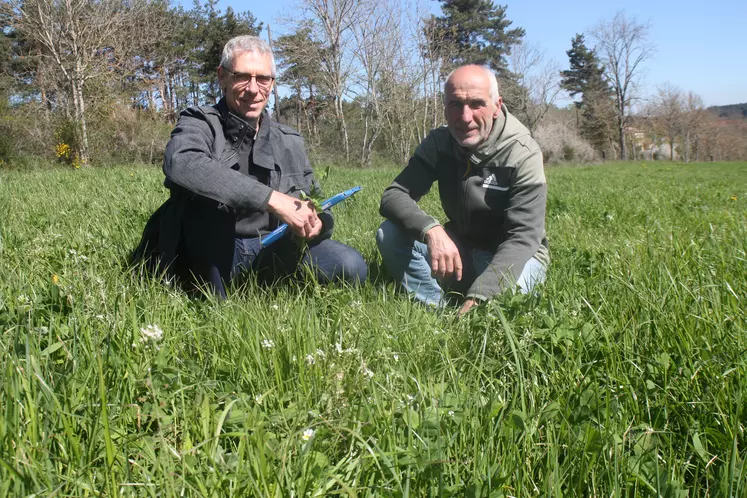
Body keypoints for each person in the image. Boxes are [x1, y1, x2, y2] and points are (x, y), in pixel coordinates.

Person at [132, 35, 367, 298]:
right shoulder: (200, 122)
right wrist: (271, 199)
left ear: (272, 83)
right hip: (211, 249)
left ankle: (270, 292)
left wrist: (318, 223)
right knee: (205, 238)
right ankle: (214, 301)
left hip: (272, 249)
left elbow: (316, 198)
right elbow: (182, 163)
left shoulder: (288, 140)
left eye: (263, 79)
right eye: (243, 76)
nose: (253, 89)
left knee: (350, 265)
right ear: (222, 77)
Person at [376, 64, 548, 314]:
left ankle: (475, 300)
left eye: (477, 104)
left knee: (507, 308)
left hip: (515, 257)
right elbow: (393, 195)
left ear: (497, 106)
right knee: (388, 234)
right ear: (445, 107)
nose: (465, 117)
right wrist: (431, 230)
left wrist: (484, 292)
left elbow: (523, 237)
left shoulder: (522, 152)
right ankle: (437, 310)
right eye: (455, 104)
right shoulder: (439, 143)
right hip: (462, 250)